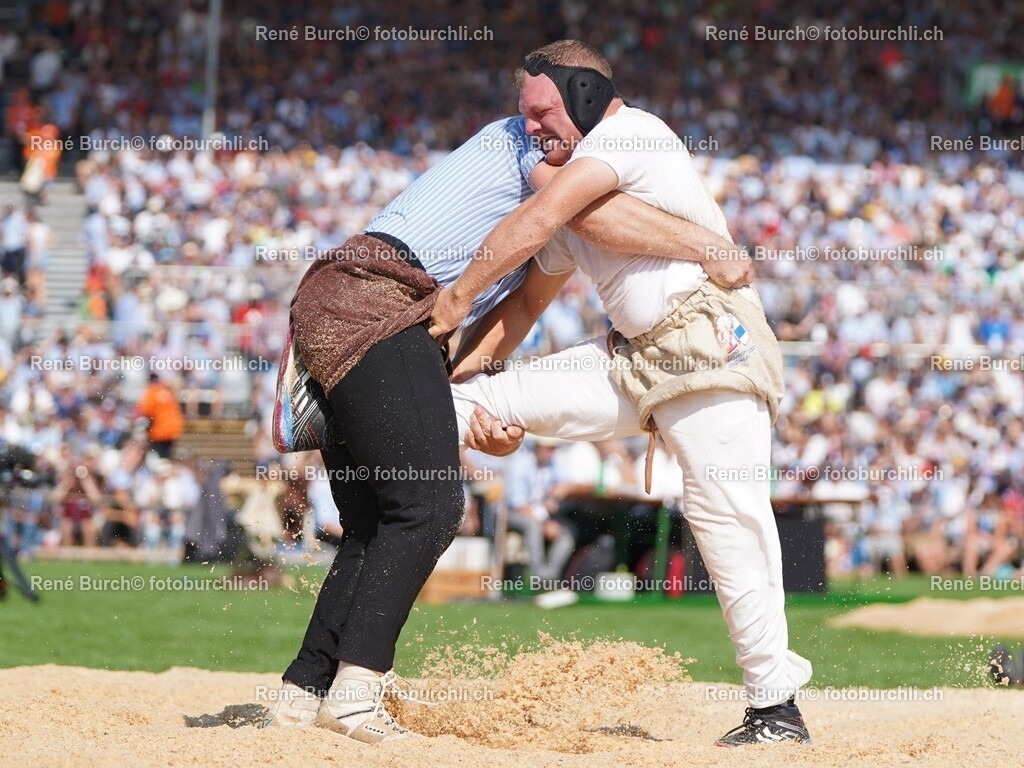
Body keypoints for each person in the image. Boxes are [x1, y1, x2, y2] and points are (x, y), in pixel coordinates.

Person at [265, 107, 747, 743]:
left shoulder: (538, 218)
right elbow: (579, 211)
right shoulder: (531, 145)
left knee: (378, 523)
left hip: (379, 312)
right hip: (380, 298)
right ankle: (356, 694)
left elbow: (516, 311)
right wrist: (711, 245)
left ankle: (303, 691)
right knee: (430, 507)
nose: (539, 120)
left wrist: (474, 404)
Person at [431, 40, 812, 747]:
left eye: (541, 111)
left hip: (708, 343)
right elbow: (522, 311)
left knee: (726, 516)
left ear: (579, 92)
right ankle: (352, 426)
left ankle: (775, 707)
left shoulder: (632, 133)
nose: (532, 127)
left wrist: (452, 301)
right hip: (633, 359)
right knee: (451, 402)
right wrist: (458, 378)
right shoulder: (581, 191)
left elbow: (541, 219)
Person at [135, 373, 185, 459]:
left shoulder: (152, 391)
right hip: (173, 429)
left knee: (159, 458)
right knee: (166, 455)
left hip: (159, 431)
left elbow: (145, 410)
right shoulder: (167, 390)